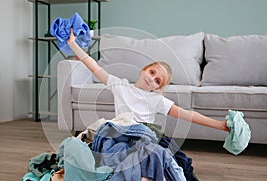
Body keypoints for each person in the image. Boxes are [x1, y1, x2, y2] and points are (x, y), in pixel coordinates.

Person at [67, 29, 229, 133]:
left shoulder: (156, 100)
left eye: (157, 81)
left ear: (158, 88)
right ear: (144, 69)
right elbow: (93, 66)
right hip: (121, 131)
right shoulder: (120, 85)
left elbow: (189, 115)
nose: (151, 79)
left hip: (142, 135)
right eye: (152, 72)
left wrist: (220, 125)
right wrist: (73, 44)